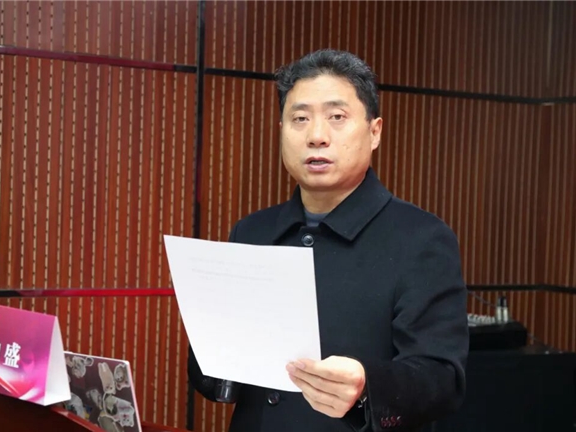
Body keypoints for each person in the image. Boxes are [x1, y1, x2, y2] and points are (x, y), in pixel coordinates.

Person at [188, 49, 469, 432]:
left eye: (337, 117)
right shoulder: (252, 232)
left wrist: (367, 385)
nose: (317, 136)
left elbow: (442, 378)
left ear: (374, 132)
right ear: (282, 129)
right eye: (300, 119)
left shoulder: (421, 239)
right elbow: (215, 379)